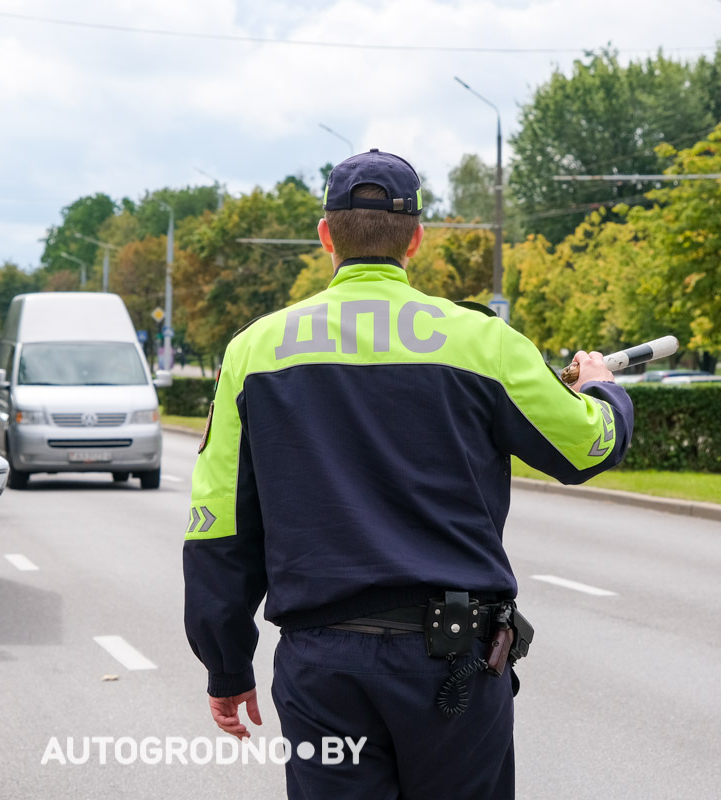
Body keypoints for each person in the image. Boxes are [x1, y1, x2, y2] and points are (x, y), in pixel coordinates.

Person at [182, 148, 632, 799]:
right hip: (452, 664)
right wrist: (605, 390)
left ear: (325, 235)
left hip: (322, 667)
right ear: (417, 238)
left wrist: (225, 665)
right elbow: (587, 447)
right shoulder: (484, 342)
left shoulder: (254, 351)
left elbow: (218, 527)